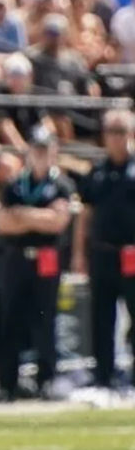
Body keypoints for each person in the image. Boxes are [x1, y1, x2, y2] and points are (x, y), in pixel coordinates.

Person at [0, 127, 74, 401]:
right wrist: (39, 217)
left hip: (46, 258)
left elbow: (58, 221)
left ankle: (47, 380)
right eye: (35, 149)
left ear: (53, 153)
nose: (39, 155)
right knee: (10, 318)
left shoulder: (61, 184)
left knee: (45, 319)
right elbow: (1, 222)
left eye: (44, 150)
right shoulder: (15, 184)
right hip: (17, 258)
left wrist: (22, 215)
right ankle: (7, 383)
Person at [72, 109, 135, 390]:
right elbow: (84, 216)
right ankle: (103, 376)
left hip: (133, 253)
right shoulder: (96, 173)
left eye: (121, 131)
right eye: (111, 131)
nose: (116, 138)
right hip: (103, 253)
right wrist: (78, 253)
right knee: (101, 317)